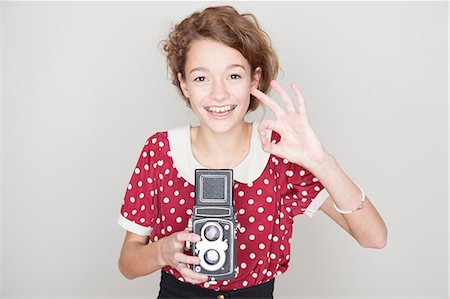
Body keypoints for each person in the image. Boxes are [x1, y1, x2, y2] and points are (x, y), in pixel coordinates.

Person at [117, 5, 387, 299]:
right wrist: (162, 252)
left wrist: (320, 161)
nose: (218, 94)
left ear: (254, 80)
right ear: (183, 84)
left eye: (233, 76)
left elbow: (374, 237)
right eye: (201, 78)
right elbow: (128, 264)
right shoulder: (160, 152)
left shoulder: (278, 151)